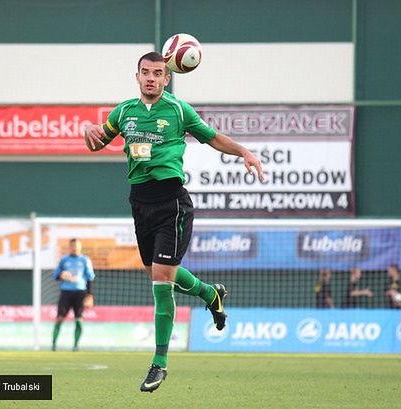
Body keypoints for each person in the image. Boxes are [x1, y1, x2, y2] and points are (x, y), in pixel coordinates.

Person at [84, 52, 265, 392]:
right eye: (145, 72)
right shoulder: (124, 112)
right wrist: (87, 131)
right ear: (136, 76)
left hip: (172, 203)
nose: (151, 78)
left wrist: (244, 151)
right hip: (140, 203)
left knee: (162, 282)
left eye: (158, 73)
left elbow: (212, 137)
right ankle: (211, 294)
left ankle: (159, 363)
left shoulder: (179, 110)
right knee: (157, 272)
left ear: (167, 78)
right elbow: (97, 143)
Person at [51, 238, 95, 351]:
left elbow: (90, 277)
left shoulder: (85, 260)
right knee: (60, 318)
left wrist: (89, 295)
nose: (74, 247)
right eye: (72, 246)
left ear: (80, 247)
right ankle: (54, 344)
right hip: (66, 292)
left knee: (79, 319)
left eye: (77, 245)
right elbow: (55, 275)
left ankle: (76, 345)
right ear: (69, 247)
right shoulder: (64, 260)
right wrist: (62, 275)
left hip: (80, 292)